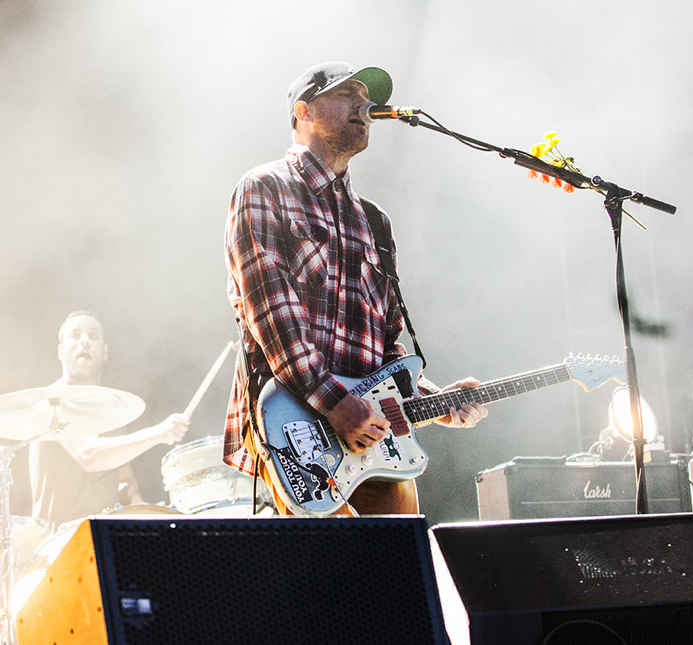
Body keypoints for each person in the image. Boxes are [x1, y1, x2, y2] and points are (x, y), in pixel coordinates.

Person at [223, 61, 488, 516]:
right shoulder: (265, 187)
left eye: (367, 95)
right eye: (347, 94)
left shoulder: (375, 221)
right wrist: (334, 403)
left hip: (372, 443)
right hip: (297, 427)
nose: (365, 105)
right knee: (331, 578)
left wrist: (433, 400)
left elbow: (386, 343)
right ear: (303, 112)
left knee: (398, 574)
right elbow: (269, 309)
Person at [28, 311, 190, 526]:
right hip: (58, 541)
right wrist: (159, 433)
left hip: (104, 536)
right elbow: (89, 455)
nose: (84, 341)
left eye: (93, 336)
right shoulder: (52, 400)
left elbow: (125, 482)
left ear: (104, 352)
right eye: (75, 335)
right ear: (61, 351)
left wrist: (149, 512)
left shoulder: (112, 412)